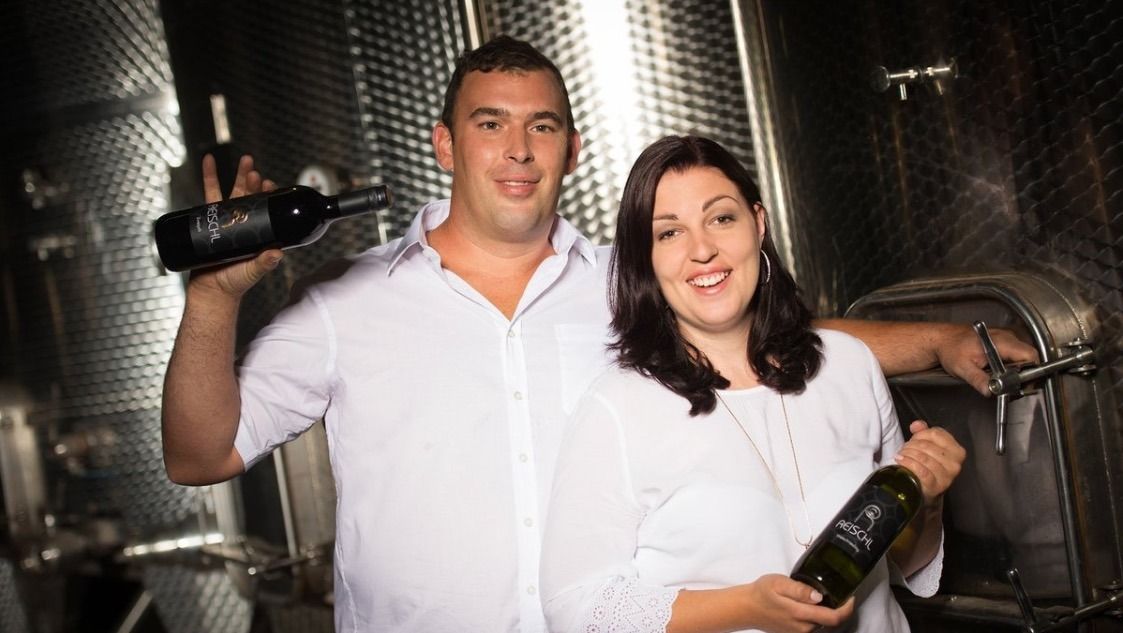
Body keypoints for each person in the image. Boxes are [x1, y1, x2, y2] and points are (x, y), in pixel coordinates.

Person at [160, 37, 1033, 632]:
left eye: (541, 125)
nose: (517, 149)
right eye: (488, 123)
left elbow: (779, 345)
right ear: (442, 144)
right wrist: (212, 300)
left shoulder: (626, 281)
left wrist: (938, 343)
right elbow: (202, 454)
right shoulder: (343, 305)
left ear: (571, 149)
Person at [539, 135, 966, 633]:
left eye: (722, 218)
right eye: (669, 234)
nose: (703, 250)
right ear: (645, 262)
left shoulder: (849, 365)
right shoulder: (618, 405)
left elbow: (902, 562)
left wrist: (926, 499)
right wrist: (745, 608)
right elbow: (576, 606)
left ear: (758, 224)